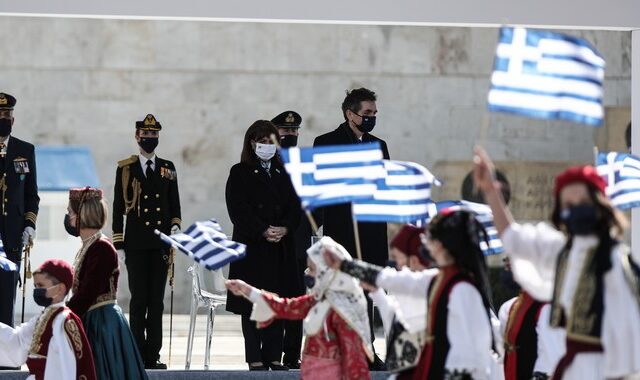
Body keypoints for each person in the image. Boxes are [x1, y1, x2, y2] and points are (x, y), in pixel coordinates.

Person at [473, 145, 640, 379]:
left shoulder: (615, 260)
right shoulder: (561, 251)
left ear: (598, 204)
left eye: (582, 202)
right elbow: (514, 238)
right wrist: (491, 191)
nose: (575, 211)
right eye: (568, 205)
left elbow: (629, 336)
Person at [324, 209, 499, 380]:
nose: (425, 242)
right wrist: (344, 265)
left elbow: (476, 350)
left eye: (430, 238)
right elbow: (391, 279)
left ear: (442, 245)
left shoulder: (464, 290)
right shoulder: (437, 279)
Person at [313, 87, 390, 369]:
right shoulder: (326, 142)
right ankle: (341, 351)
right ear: (350, 113)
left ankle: (367, 351)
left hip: (370, 230)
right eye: (366, 113)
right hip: (342, 230)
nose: (371, 118)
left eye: (374, 113)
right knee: (342, 293)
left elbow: (384, 185)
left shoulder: (378, 145)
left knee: (367, 293)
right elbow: (323, 186)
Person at [226, 236, 372, 379]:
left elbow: (354, 359)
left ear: (327, 269)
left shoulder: (346, 310)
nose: (308, 273)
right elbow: (284, 306)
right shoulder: (317, 300)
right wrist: (249, 291)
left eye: (312, 269)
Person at [225, 120, 301, 371]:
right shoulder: (239, 172)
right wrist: (262, 230)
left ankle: (273, 356)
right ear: (252, 143)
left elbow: (295, 208)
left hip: (280, 247)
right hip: (252, 247)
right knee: (251, 305)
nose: (267, 146)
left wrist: (285, 228)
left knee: (275, 302)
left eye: (271, 141)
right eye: (262, 141)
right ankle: (255, 357)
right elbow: (238, 210)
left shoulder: (284, 172)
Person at [112, 114, 181, 369]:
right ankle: (138, 354)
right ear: (137, 136)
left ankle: (153, 354)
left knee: (157, 301)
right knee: (139, 300)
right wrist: (118, 245)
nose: (150, 139)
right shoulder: (126, 168)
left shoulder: (168, 167)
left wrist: (175, 226)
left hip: (161, 243)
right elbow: (119, 207)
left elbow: (174, 203)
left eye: (154, 135)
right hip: (137, 244)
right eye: (146, 134)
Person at [66, 187, 148, 379]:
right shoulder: (89, 245)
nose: (68, 218)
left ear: (82, 215)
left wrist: (63, 315)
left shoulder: (101, 247)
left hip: (102, 323)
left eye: (70, 212)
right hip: (91, 318)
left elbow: (88, 292)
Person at [0, 259, 96, 380]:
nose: (36, 290)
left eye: (41, 286)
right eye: (35, 286)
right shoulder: (43, 317)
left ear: (60, 288)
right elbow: (17, 344)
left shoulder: (63, 320)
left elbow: (66, 369)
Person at [365, 225, 430, 378]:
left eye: (396, 257)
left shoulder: (430, 286)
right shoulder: (406, 290)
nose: (396, 265)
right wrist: (377, 293)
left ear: (413, 259)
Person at [0, 92, 39, 340]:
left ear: (13, 120)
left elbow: (31, 196)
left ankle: (4, 357)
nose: (3, 119)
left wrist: (29, 225)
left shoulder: (24, 150)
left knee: (6, 299)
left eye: (6, 115)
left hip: (12, 237)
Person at [271, 110, 308, 368]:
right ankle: (271, 353)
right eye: (285, 131)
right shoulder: (265, 164)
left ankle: (292, 354)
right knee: (272, 298)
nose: (290, 135)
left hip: (297, 241)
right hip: (272, 243)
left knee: (296, 300)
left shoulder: (304, 164)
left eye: (294, 131)